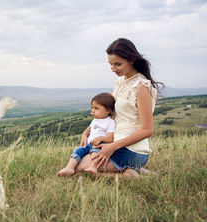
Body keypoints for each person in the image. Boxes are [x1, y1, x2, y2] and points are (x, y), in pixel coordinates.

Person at [62, 38, 163, 178]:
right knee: (77, 160)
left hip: (132, 149)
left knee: (79, 167)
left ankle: (128, 175)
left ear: (132, 59)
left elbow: (147, 130)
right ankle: (131, 169)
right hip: (114, 142)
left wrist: (113, 147)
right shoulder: (119, 83)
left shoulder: (141, 87)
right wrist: (86, 132)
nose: (113, 69)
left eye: (118, 64)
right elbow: (106, 113)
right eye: (110, 64)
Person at [57, 93, 116, 176]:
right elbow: (88, 130)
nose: (92, 111)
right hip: (88, 144)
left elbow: (110, 139)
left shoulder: (110, 122)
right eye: (92, 108)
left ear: (108, 110)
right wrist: (84, 135)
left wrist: (101, 138)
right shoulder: (95, 120)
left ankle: (93, 166)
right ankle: (69, 168)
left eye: (96, 108)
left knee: (95, 152)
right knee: (77, 151)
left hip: (98, 145)